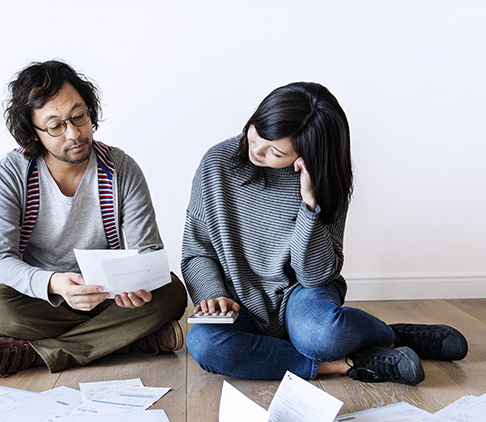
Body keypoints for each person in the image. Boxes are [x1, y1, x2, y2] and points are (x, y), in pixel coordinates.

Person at [182, 82, 467, 384]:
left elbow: (315, 277)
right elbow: (196, 250)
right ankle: (347, 363)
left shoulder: (323, 179)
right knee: (204, 344)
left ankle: (390, 334)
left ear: (306, 152)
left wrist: (309, 205)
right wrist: (214, 294)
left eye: (275, 151)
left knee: (322, 335)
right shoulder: (216, 163)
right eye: (257, 131)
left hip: (301, 294)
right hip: (239, 301)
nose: (256, 149)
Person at [0, 60, 187, 377]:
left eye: (79, 117)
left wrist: (135, 283)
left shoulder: (120, 168)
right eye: (56, 126)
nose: (74, 133)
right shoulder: (10, 174)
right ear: (33, 133)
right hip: (43, 299)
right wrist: (55, 283)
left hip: (107, 295)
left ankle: (34, 354)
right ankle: (124, 340)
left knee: (170, 292)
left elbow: (148, 250)